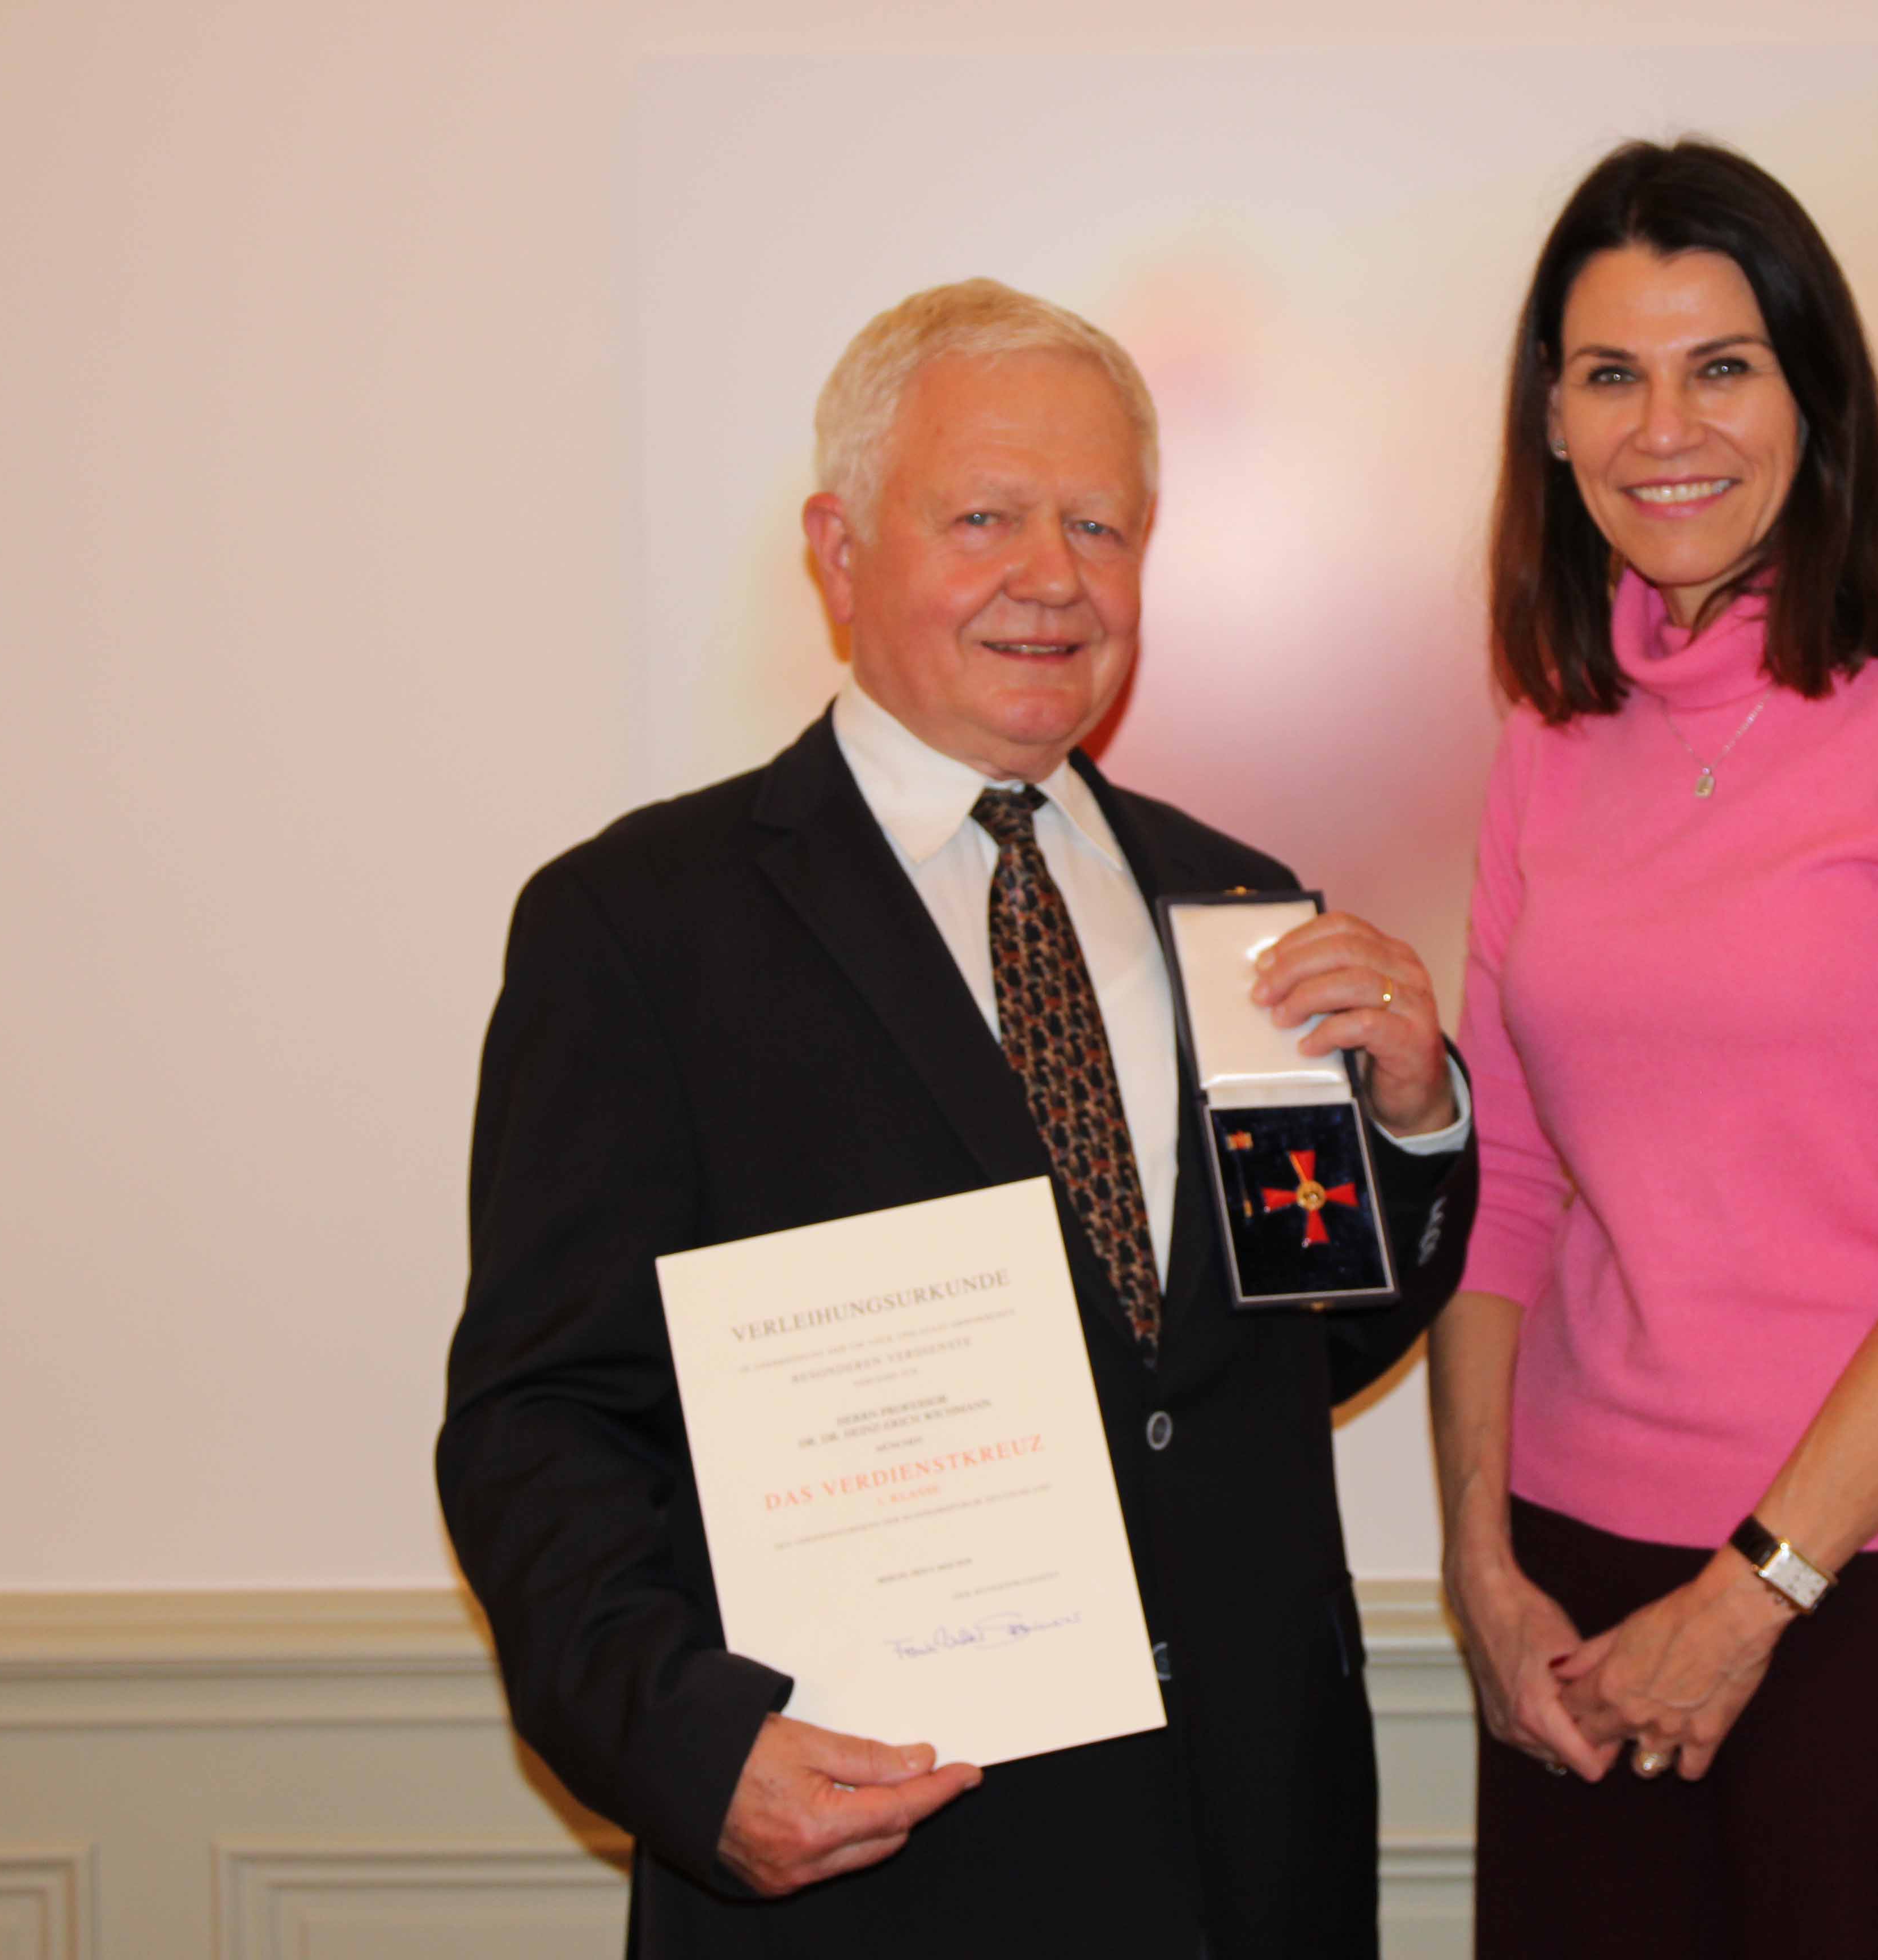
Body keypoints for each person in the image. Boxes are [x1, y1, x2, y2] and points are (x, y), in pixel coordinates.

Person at [438, 278, 1476, 1959]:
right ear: (838, 551)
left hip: (1245, 1850)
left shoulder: (1239, 908)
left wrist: (1415, 1126)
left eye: (1098, 525)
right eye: (983, 515)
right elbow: (540, 1422)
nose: (1050, 576)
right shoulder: (638, 925)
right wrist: (692, 1754)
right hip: (879, 1868)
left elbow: (1269, 1359)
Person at [1429, 140, 1878, 1958]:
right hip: (1567, 1590)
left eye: (1722, 363)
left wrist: (1756, 1589)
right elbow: (1501, 1187)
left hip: (1871, 1590)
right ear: (1551, 423)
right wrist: (1478, 1570)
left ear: (1814, 396)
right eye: (1609, 373)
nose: (1668, 426)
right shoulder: (1546, 740)